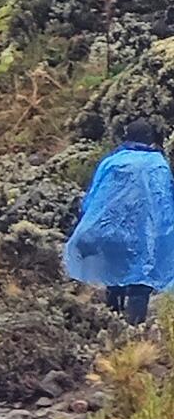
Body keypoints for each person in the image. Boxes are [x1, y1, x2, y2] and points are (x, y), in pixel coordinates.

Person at [64, 121, 174, 324]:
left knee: (113, 275)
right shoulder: (158, 164)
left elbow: (93, 197)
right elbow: (164, 202)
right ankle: (134, 329)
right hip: (143, 236)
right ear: (150, 139)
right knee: (141, 280)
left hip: (112, 231)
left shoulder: (112, 162)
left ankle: (112, 320)